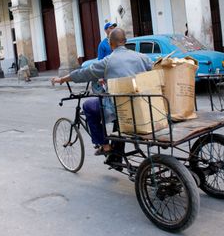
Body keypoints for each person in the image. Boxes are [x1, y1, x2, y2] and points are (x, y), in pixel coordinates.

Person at [52, 28, 152, 156]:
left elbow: (84, 73)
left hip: (119, 107)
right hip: (143, 103)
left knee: (88, 106)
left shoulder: (108, 61)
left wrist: (62, 79)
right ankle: (116, 153)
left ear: (110, 44)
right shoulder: (142, 57)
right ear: (125, 41)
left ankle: (104, 146)